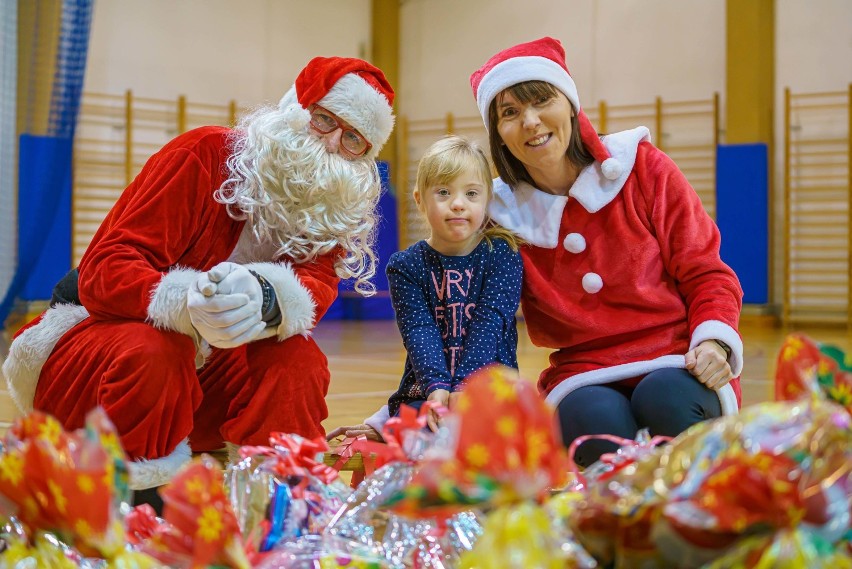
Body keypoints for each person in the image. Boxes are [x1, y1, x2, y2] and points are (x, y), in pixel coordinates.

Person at [2, 56, 395, 495]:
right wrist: (190, 301)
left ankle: (278, 492)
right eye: (324, 119)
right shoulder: (204, 154)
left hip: (195, 397)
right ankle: (138, 495)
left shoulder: (328, 210)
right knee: (159, 347)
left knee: (296, 359)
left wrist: (264, 297)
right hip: (98, 372)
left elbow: (313, 291)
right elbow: (104, 270)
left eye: (353, 139)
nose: (332, 143)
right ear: (296, 109)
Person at [468, 37, 743, 466]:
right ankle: (627, 526)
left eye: (542, 101)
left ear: (572, 105)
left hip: (682, 355)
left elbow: (706, 271)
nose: (530, 121)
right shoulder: (498, 216)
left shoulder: (644, 167)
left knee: (666, 396)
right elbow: (470, 316)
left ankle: (698, 516)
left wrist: (716, 344)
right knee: (590, 419)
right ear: (498, 135)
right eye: (509, 113)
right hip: (584, 374)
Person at [327, 135, 523, 440]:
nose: (458, 204)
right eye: (443, 192)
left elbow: (490, 321)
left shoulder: (502, 254)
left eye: (471, 194)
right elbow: (419, 331)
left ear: (486, 201)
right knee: (426, 434)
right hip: (429, 387)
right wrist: (438, 389)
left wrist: (464, 386)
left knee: (487, 438)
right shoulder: (406, 265)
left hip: (489, 387)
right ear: (420, 200)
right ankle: (388, 420)